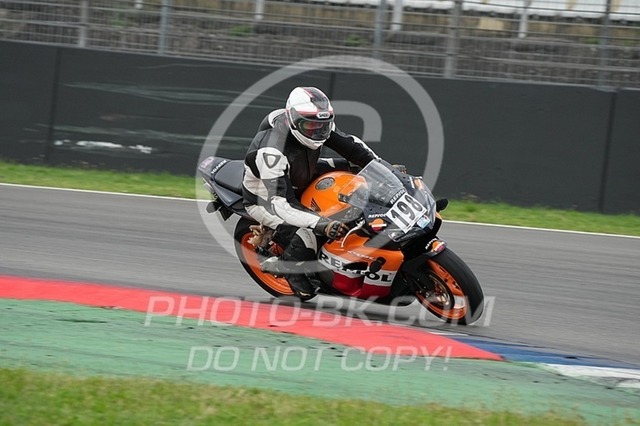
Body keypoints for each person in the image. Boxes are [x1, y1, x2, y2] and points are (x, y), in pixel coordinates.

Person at [242, 86, 379, 297]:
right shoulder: (271, 151)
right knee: (308, 232)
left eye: (322, 125)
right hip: (266, 197)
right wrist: (322, 223)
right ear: (292, 120)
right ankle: (289, 267)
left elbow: (353, 148)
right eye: (311, 125)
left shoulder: (316, 124)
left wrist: (383, 168)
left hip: (300, 174)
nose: (317, 131)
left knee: (354, 171)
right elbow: (282, 204)